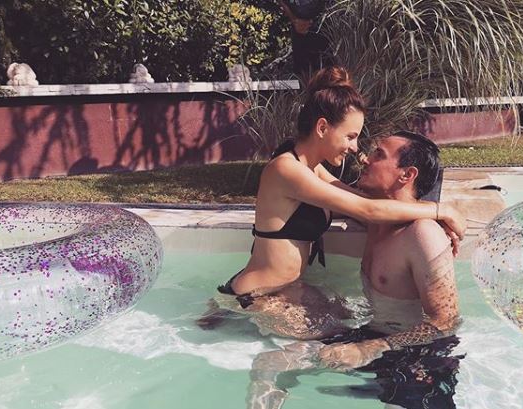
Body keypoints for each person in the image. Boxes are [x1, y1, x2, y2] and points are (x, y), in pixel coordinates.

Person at [199, 66, 465, 340]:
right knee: (338, 342)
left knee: (348, 318)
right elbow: (369, 210)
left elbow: (361, 201)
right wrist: (441, 210)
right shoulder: (286, 169)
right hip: (257, 294)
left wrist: (430, 223)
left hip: (287, 288)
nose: (355, 148)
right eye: (350, 136)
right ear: (323, 128)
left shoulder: (312, 169)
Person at [242, 131, 464, 409]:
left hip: (420, 353)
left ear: (407, 174)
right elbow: (310, 174)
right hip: (371, 334)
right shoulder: (374, 220)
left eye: (378, 154)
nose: (364, 158)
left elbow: (446, 322)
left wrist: (374, 348)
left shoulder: (423, 235)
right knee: (269, 364)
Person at [277, 0, 332, 76]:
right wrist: (294, 20)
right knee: (304, 72)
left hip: (325, 28)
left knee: (327, 72)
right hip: (300, 30)